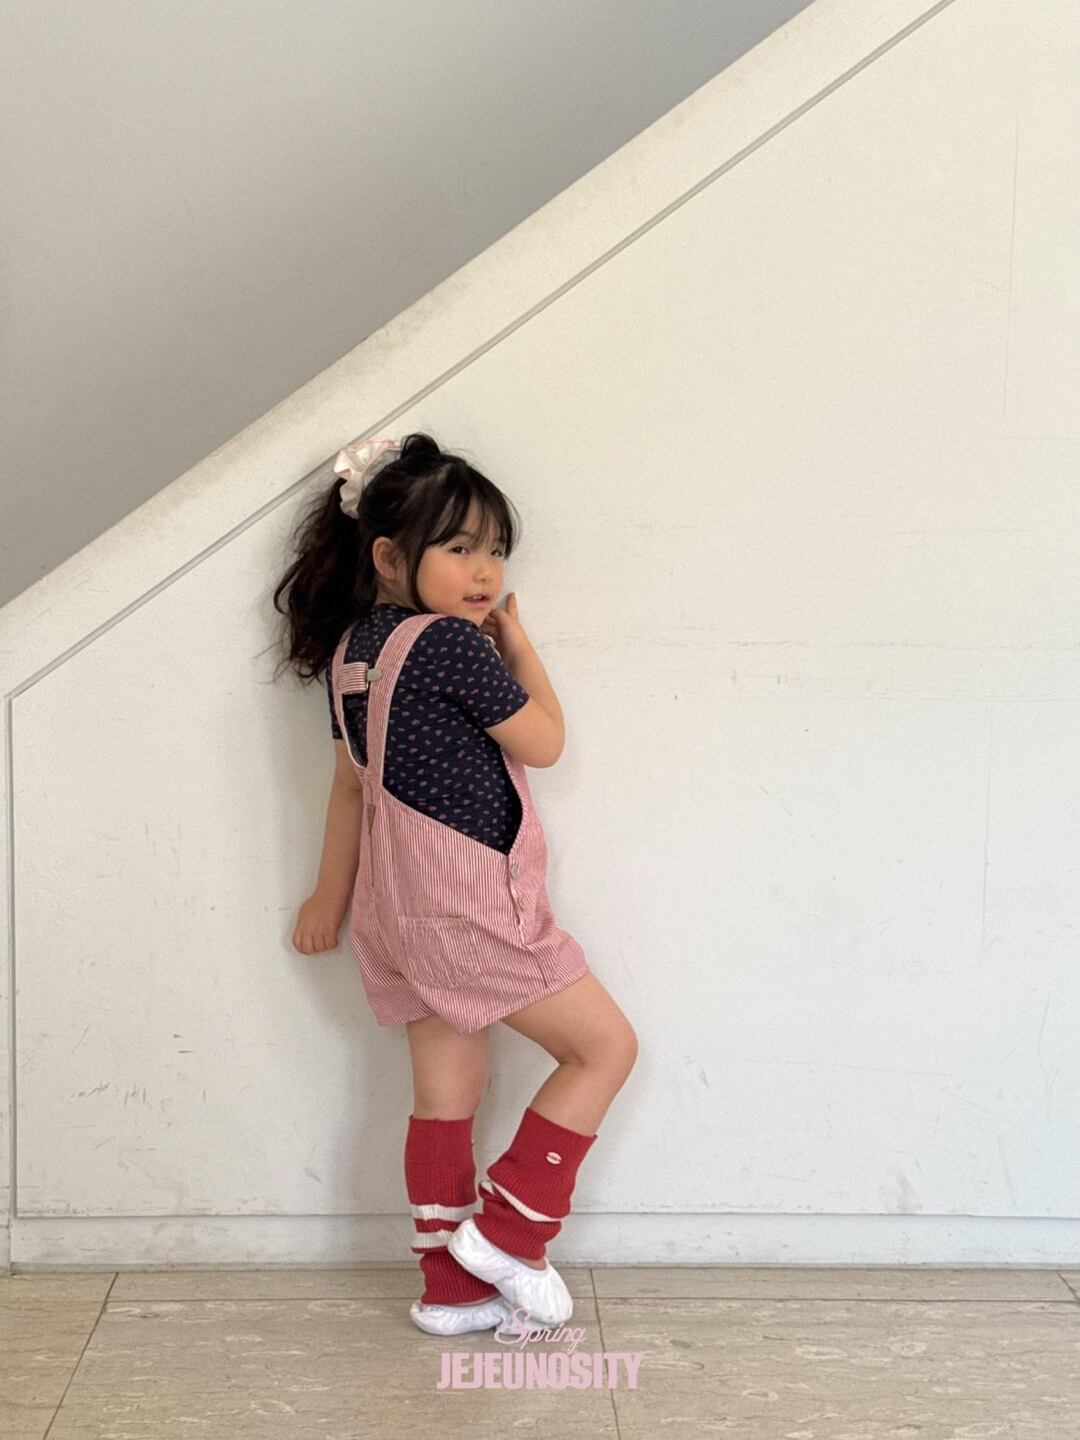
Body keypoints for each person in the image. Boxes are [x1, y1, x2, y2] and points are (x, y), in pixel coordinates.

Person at [272, 431, 638, 1338]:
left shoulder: (352, 652)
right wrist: (519, 645)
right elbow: (545, 742)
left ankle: (451, 1290)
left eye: (495, 549)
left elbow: (349, 787)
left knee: (446, 1093)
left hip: (393, 914)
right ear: (389, 556)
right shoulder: (451, 645)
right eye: (460, 547)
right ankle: (510, 1233)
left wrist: (327, 899)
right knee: (604, 1049)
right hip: (467, 904)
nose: (484, 572)